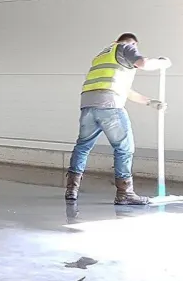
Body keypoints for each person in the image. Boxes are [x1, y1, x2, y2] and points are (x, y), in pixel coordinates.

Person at [65, 33, 169, 206]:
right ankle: (125, 193)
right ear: (133, 43)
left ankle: (71, 190)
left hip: (88, 106)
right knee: (124, 148)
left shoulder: (102, 57)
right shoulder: (125, 47)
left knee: (82, 146)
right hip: (109, 106)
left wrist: (150, 102)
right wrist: (162, 63)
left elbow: (124, 91)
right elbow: (143, 63)